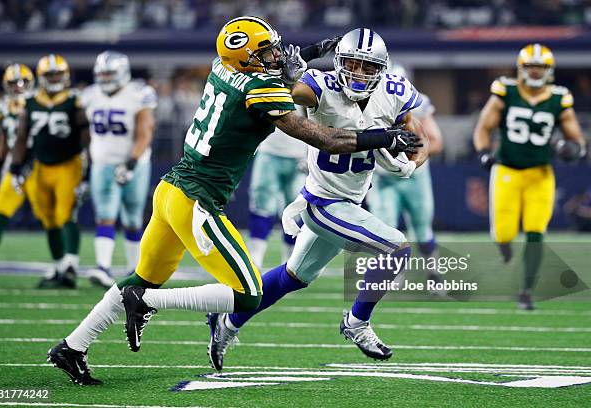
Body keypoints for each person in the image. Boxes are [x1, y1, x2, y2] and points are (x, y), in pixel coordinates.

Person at [46, 16, 421, 386]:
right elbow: (321, 137)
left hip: (172, 189)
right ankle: (147, 304)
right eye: (266, 51)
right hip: (197, 198)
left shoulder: (221, 65)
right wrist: (382, 138)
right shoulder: (261, 90)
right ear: (247, 59)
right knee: (245, 294)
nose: (276, 54)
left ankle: (73, 345)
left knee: (142, 277)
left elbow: (263, 71)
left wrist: (306, 54)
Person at [208, 28, 428, 371]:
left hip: (348, 203)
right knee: (397, 248)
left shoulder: (395, 93)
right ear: (338, 62)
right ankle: (357, 323)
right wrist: (296, 67)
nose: (358, 73)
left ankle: (227, 321)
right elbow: (293, 93)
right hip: (323, 202)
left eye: (368, 67)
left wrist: (410, 162)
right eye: (352, 64)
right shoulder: (320, 85)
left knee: (293, 277)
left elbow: (420, 136)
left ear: (382, 70)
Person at [473, 43, 586, 310]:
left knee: (536, 232)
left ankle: (526, 290)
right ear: (521, 68)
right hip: (507, 171)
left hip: (540, 174)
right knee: (503, 233)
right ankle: (504, 247)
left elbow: (578, 141)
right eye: (531, 67)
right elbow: (483, 127)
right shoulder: (506, 91)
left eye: (541, 67)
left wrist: (570, 148)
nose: (535, 72)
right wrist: (484, 153)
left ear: (550, 71)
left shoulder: (560, 98)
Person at [11, 54, 90, 289]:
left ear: (65, 75)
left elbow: (86, 136)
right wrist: (16, 166)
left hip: (69, 164)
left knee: (66, 214)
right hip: (40, 167)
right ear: (41, 77)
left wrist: (88, 168)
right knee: (47, 217)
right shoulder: (30, 101)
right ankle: (58, 267)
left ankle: (71, 266)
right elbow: (22, 136)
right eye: (50, 74)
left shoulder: (75, 100)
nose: (54, 78)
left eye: (57, 74)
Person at [81, 51, 157, 288]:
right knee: (105, 214)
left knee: (133, 218)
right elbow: (82, 131)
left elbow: (146, 132)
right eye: (101, 74)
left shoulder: (138, 94)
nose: (104, 78)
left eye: (109, 73)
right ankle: (103, 267)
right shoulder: (89, 95)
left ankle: (135, 270)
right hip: (103, 163)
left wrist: (131, 163)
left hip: (136, 163)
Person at [368, 63, 443, 285]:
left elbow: (436, 142)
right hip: (383, 178)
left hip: (414, 176)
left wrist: (412, 157)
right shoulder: (366, 104)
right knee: (385, 228)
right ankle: (393, 273)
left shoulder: (416, 106)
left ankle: (434, 273)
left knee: (421, 227)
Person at [0, 64, 35, 278]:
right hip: (14, 166)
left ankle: (64, 265)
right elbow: (5, 138)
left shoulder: (38, 102)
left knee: (55, 218)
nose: (19, 86)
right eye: (14, 82)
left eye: (23, 81)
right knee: (1, 210)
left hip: (39, 166)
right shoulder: (4, 105)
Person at [247, 111, 307, 269]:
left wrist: (311, 153)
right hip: (269, 149)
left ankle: (290, 260)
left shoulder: (308, 86)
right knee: (261, 203)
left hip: (299, 153)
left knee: (295, 209)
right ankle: (255, 258)